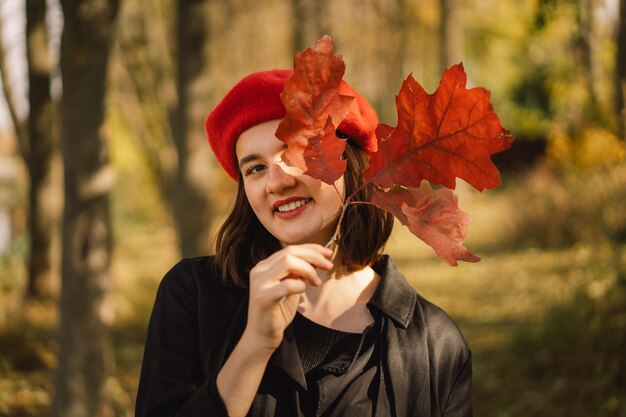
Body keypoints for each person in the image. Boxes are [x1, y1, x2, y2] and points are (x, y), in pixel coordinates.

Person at [135, 69, 473, 417]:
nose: (276, 182)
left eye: (296, 151)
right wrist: (254, 347)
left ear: (350, 163)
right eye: (255, 169)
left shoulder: (436, 344)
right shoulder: (193, 296)